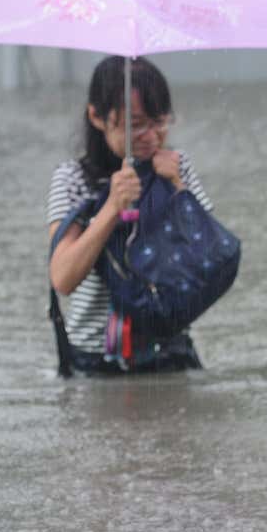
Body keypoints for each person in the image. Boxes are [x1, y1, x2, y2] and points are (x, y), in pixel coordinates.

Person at [45, 56, 214, 375]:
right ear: (96, 116)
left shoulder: (177, 168)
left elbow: (208, 259)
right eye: (135, 124)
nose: (151, 136)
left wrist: (177, 189)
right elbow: (63, 278)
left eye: (160, 121)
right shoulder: (72, 179)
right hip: (96, 360)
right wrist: (111, 208)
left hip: (169, 349)